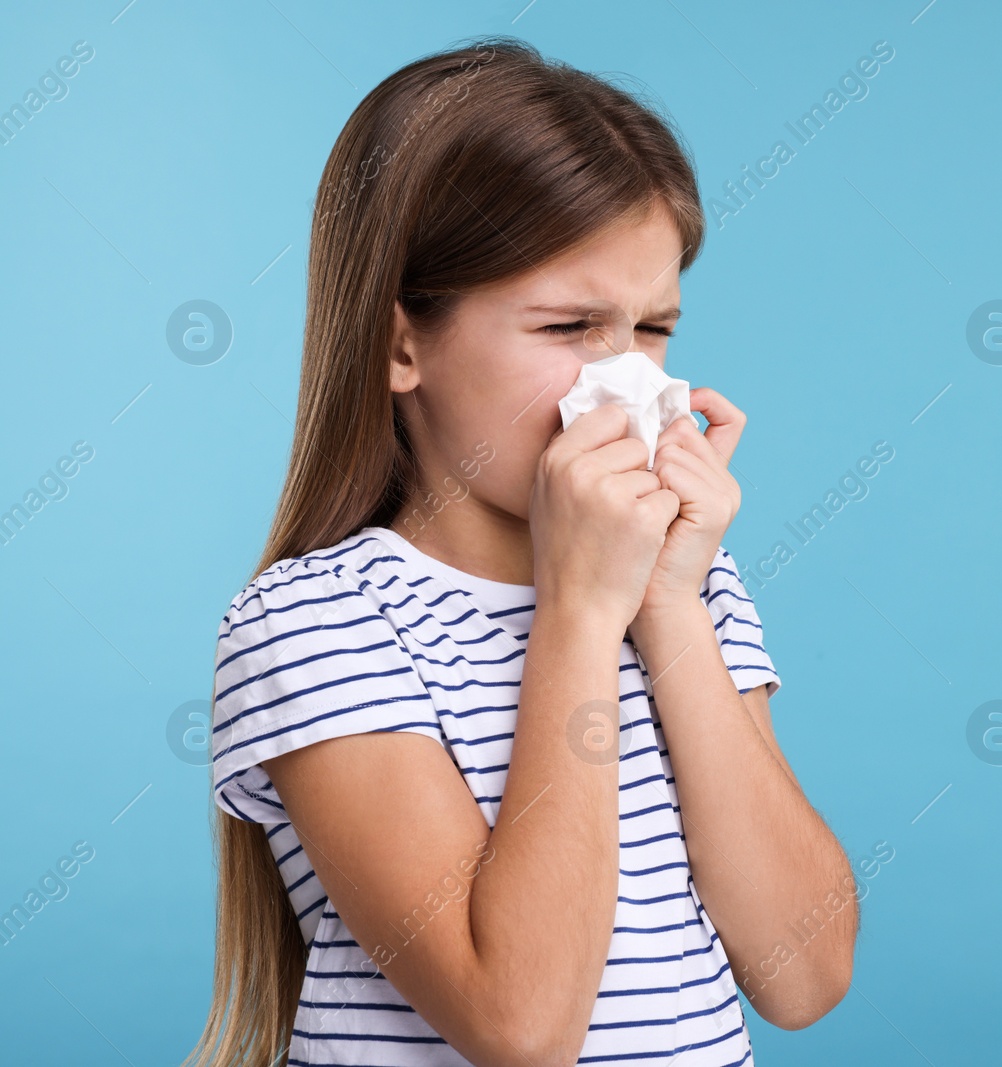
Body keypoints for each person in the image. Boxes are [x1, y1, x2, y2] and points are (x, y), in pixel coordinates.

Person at [187, 36, 857, 1067]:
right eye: (568, 325)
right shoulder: (317, 624)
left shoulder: (686, 583)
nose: (628, 383)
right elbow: (520, 1023)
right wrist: (583, 615)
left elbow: (802, 972)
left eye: (652, 329)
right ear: (401, 343)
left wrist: (668, 602)